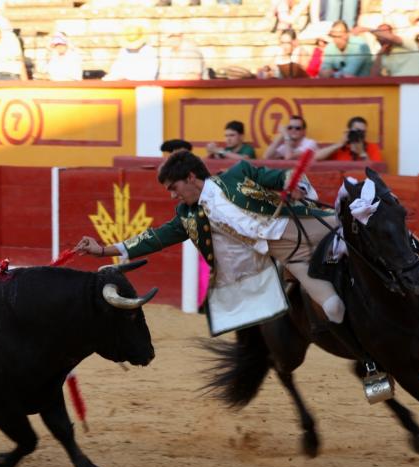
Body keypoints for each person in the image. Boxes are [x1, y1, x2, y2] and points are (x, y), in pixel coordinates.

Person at [76, 150, 352, 344]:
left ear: (192, 177)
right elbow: (154, 238)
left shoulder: (238, 173)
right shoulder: (188, 215)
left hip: (300, 226)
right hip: (289, 255)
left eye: (174, 187)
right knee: (333, 308)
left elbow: (280, 177)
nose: (173, 194)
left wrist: (295, 187)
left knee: (355, 233)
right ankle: (368, 359)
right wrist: (103, 250)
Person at [315, 116, 383, 162]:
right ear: (349, 131)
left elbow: (375, 171)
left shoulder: (372, 147)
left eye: (363, 132)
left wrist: (362, 153)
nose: (359, 134)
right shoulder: (340, 147)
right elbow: (317, 157)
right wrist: (339, 144)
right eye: (357, 131)